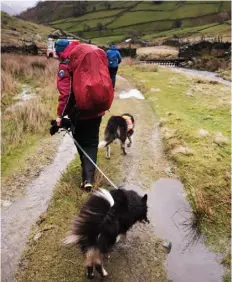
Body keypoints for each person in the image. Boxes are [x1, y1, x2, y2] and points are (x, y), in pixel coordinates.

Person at [55, 39, 106, 192]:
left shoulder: (67, 62)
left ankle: (86, 178)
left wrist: (60, 115)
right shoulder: (93, 54)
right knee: (91, 142)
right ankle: (89, 179)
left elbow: (67, 93)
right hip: (98, 108)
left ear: (60, 52)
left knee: (81, 142)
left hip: (79, 111)